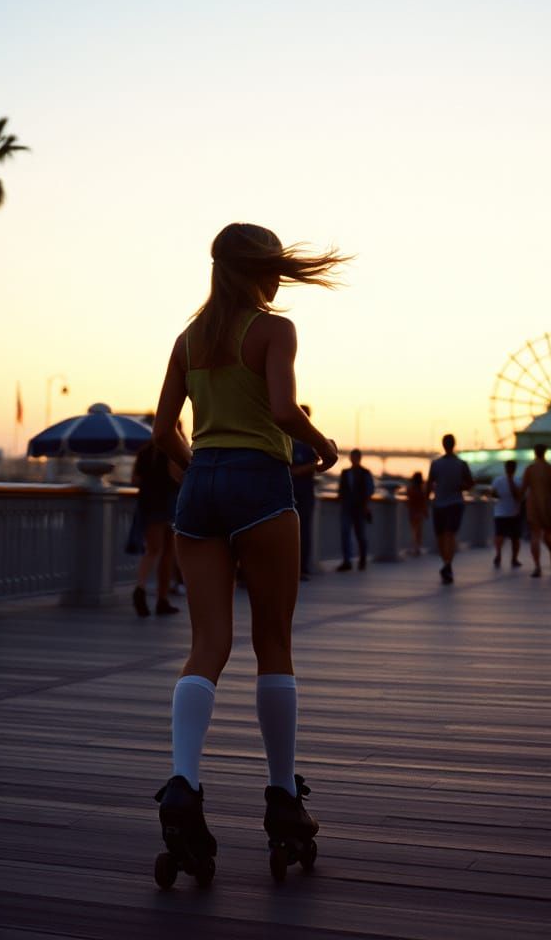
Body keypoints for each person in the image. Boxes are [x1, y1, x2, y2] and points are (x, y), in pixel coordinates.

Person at [148, 222, 344, 887]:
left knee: (207, 645)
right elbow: (284, 409)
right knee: (273, 644)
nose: (279, 281)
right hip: (260, 483)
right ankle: (283, 796)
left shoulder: (188, 339)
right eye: (275, 270)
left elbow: (162, 429)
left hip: (201, 485)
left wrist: (192, 469)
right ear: (261, 271)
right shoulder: (274, 330)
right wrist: (322, 445)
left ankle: (183, 783)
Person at [131, 441, 182, 617]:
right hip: (168, 503)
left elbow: (135, 480)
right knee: (167, 552)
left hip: (148, 504)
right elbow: (177, 476)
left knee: (153, 550)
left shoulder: (144, 452)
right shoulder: (173, 449)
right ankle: (160, 598)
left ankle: (142, 589)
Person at [426, 433, 474, 584]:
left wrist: (426, 503)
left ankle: (446, 564)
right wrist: (460, 487)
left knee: (441, 536)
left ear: (443, 445)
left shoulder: (435, 464)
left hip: (439, 504)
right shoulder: (462, 464)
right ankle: (448, 565)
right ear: (454, 444)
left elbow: (428, 485)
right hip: (455, 503)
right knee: (450, 534)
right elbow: (470, 484)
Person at [520, 443, 551, 578]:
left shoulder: (529, 469)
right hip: (548, 506)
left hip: (533, 505)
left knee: (535, 536)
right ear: (545, 452)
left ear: (534, 452)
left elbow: (523, 489)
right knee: (548, 535)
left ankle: (537, 566)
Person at [290, 404, 319, 580]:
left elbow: (316, 464)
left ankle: (303, 568)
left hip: (305, 493)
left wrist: (298, 471)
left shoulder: (310, 442)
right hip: (288, 493)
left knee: (304, 531)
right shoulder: (287, 438)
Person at [337, 449, 375, 571]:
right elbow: (341, 489)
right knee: (345, 534)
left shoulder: (365, 473)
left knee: (360, 535)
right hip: (347, 507)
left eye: (355, 457)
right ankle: (347, 561)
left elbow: (370, 489)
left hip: (360, 508)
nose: (353, 459)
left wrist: (366, 505)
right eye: (352, 457)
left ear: (359, 458)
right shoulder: (345, 472)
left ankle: (362, 560)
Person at [490, 459, 523, 568]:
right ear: (515, 468)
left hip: (500, 512)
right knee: (515, 538)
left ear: (505, 468)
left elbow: (493, 494)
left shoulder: (497, 480)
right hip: (514, 512)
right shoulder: (518, 480)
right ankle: (514, 559)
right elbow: (519, 496)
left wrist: (500, 496)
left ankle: (498, 554)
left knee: (500, 535)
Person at [405, 471, 427, 556]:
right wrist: (425, 511)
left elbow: (408, 498)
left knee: (413, 530)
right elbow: (424, 501)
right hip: (419, 512)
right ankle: (417, 548)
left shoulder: (411, 489)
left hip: (412, 511)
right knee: (418, 531)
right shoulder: (422, 489)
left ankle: (414, 548)